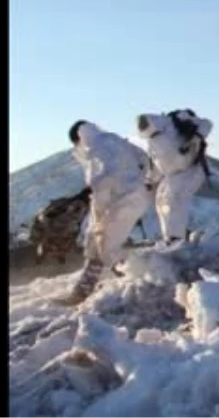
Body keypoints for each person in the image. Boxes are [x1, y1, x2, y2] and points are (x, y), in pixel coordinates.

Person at [56, 120, 154, 306]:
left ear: (79, 139)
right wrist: (143, 180)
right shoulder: (112, 140)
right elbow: (142, 157)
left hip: (123, 201)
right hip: (130, 197)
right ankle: (99, 282)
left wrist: (98, 213)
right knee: (98, 241)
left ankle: (85, 291)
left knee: (103, 244)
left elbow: (101, 185)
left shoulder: (95, 151)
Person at [136, 108, 213, 247]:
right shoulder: (152, 142)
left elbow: (207, 123)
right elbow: (158, 166)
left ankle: (176, 238)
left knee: (175, 198)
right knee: (161, 200)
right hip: (172, 174)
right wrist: (149, 181)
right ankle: (171, 237)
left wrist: (196, 137)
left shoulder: (174, 121)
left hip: (191, 169)